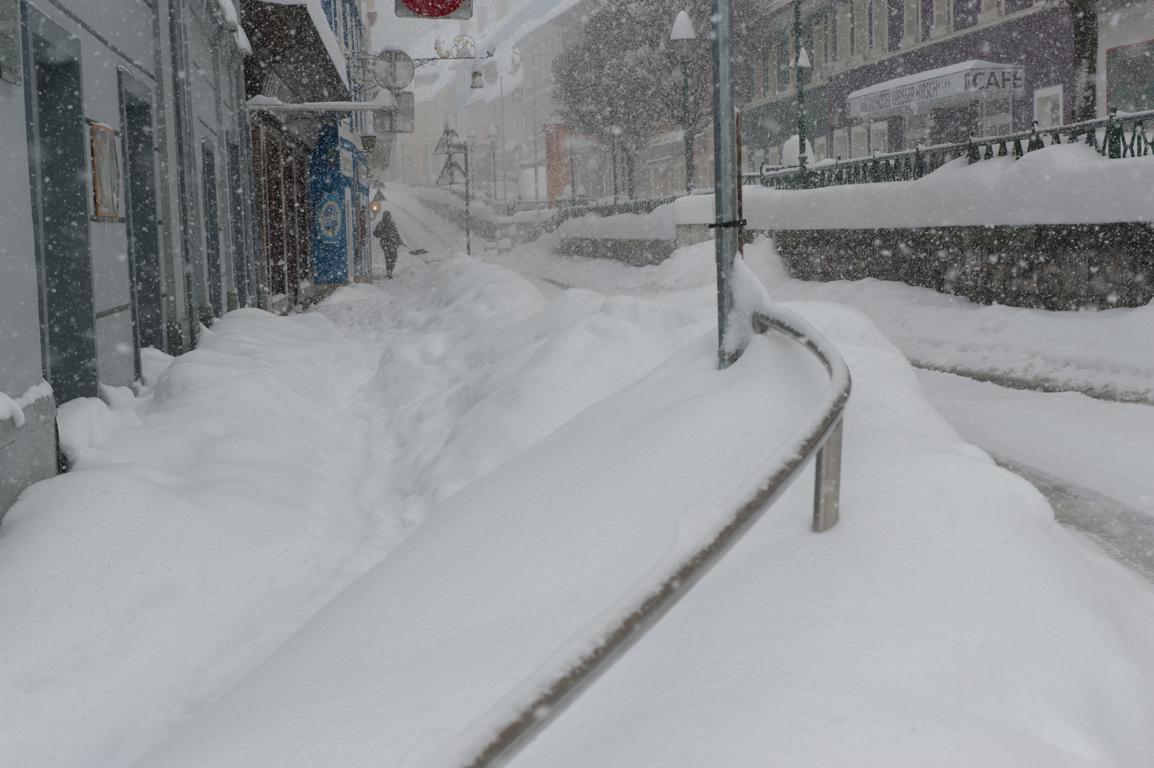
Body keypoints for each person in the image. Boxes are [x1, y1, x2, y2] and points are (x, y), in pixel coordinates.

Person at [373, 209, 404, 279]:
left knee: (394, 256)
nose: (388, 217)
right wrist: (383, 235)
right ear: (384, 216)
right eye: (387, 216)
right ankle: (389, 271)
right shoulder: (381, 224)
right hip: (385, 243)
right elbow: (375, 233)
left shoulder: (392, 223)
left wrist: (399, 240)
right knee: (388, 257)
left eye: (389, 216)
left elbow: (396, 233)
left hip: (393, 242)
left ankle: (390, 269)